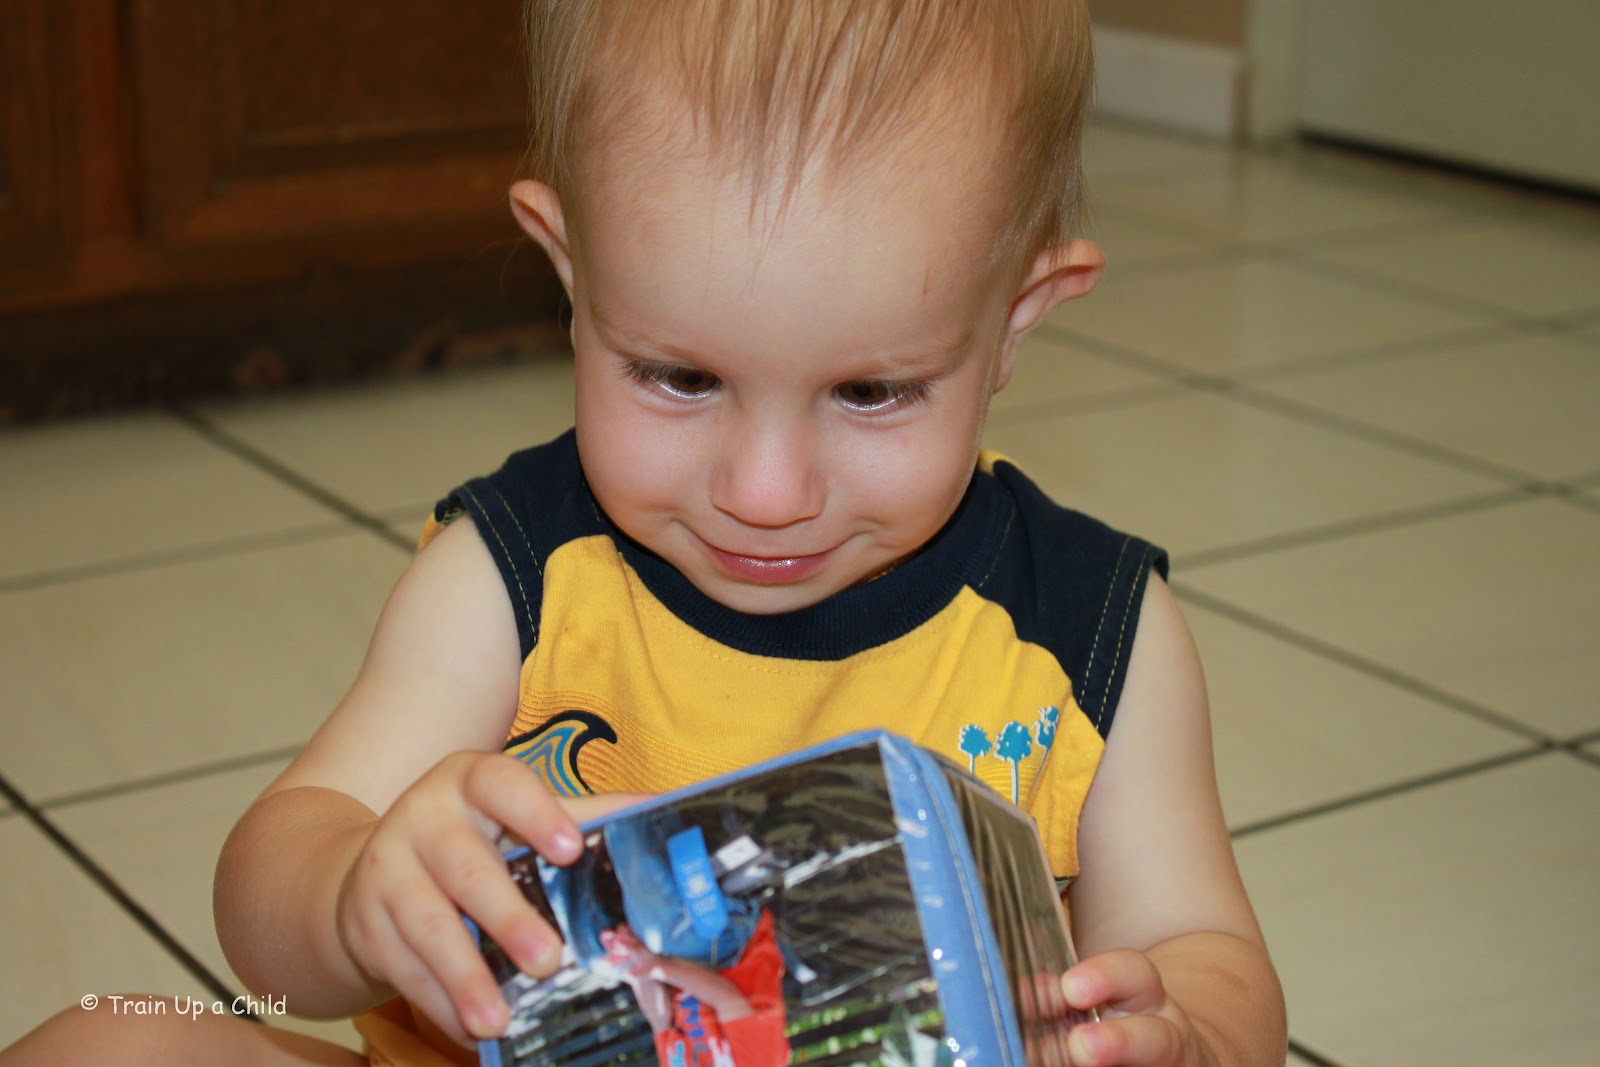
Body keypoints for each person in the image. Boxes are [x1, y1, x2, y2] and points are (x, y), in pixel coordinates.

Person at [0, 2, 1286, 1065]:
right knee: (101, 1042)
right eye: (677, 376)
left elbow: (1214, 964)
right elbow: (264, 912)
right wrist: (354, 893)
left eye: (870, 392)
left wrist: (1176, 1036)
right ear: (573, 273)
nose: (766, 488)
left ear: (1015, 319)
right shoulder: (511, 575)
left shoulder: (1094, 632)